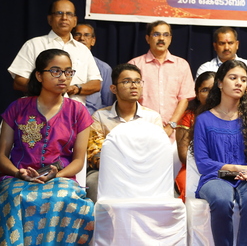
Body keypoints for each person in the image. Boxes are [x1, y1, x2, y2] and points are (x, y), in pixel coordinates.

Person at [0, 49, 95, 244]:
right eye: (56, 71)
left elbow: (78, 160)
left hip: (60, 179)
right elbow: (0, 156)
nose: (64, 77)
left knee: (64, 198)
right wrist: (18, 173)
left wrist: (57, 175)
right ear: (39, 75)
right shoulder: (18, 107)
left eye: (68, 72)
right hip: (17, 177)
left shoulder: (78, 111)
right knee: (13, 195)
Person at [191, 60, 247, 246]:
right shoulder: (204, 119)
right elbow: (203, 163)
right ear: (219, 83)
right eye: (233, 78)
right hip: (216, 177)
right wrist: (234, 169)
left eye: (243, 79)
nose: (239, 83)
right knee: (221, 199)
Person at [86, 63, 163, 202]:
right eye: (127, 81)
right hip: (108, 171)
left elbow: (158, 152)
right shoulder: (100, 117)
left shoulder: (152, 117)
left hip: (144, 170)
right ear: (113, 88)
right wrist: (122, 167)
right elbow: (95, 153)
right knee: (92, 182)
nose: (134, 86)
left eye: (137, 81)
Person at [8, 0, 102, 104]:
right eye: (59, 13)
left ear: (75, 21)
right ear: (50, 19)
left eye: (69, 14)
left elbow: (96, 84)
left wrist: (75, 88)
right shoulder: (33, 44)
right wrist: (49, 90)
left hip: (74, 111)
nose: (64, 17)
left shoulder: (83, 50)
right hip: (39, 109)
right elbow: (19, 81)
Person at [128, 20, 194, 139]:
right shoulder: (135, 65)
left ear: (170, 38)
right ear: (147, 38)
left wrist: (171, 126)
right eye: (156, 34)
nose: (161, 38)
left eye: (166, 35)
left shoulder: (182, 65)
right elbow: (129, 100)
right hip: (141, 130)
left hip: (173, 133)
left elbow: (184, 99)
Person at [175, 70, 216, 201]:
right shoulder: (189, 117)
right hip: (193, 169)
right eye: (205, 90)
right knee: (189, 188)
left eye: (214, 89)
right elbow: (183, 155)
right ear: (197, 95)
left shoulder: (231, 114)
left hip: (224, 169)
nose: (210, 94)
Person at [196, 26, 247, 99]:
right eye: (222, 43)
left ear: (237, 44)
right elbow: (203, 94)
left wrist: (220, 91)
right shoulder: (205, 68)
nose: (226, 47)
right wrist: (236, 91)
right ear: (215, 46)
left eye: (230, 43)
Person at [73, 23, 115, 114]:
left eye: (87, 35)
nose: (82, 38)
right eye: (77, 34)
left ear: (93, 41)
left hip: (94, 117)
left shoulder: (104, 68)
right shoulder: (65, 64)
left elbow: (107, 104)